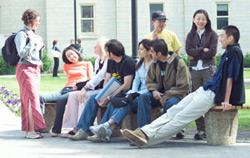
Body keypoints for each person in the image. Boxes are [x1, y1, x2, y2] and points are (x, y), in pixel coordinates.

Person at [121, 25, 245, 147]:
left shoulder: (234, 52)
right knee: (173, 111)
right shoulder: (229, 51)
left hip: (212, 95)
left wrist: (227, 101)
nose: (220, 39)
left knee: (180, 118)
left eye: (222, 36)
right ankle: (144, 132)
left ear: (231, 38)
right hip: (205, 90)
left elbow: (230, 78)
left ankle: (147, 138)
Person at [68, 39, 135, 140]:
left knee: (113, 101)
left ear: (111, 53)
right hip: (112, 91)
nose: (105, 53)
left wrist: (108, 97)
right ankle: (83, 130)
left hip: (123, 92)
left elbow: (126, 85)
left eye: (106, 50)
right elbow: (107, 79)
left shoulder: (128, 62)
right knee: (93, 99)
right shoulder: (111, 61)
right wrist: (103, 95)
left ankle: (101, 133)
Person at [87, 39, 153, 142]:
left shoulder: (147, 64)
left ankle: (105, 127)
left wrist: (110, 96)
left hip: (145, 94)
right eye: (138, 49)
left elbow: (146, 85)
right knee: (105, 99)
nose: (139, 51)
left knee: (120, 101)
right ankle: (98, 130)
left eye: (141, 49)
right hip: (134, 93)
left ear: (149, 51)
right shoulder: (140, 64)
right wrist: (104, 94)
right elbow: (134, 82)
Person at [59, 37, 109, 137]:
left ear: (102, 48)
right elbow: (95, 76)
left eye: (97, 46)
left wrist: (86, 88)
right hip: (96, 88)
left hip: (104, 89)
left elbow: (101, 76)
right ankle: (72, 126)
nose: (94, 47)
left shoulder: (107, 60)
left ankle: (82, 128)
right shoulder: (98, 59)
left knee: (84, 96)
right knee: (73, 95)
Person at [39, 46, 93, 136]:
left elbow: (91, 80)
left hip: (75, 90)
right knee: (41, 97)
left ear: (76, 52)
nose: (71, 57)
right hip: (64, 90)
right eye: (68, 56)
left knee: (61, 99)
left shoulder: (87, 64)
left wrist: (82, 86)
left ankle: (56, 130)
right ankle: (40, 126)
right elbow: (69, 79)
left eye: (72, 54)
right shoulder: (66, 66)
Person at [186, 9, 218, 140]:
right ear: (194, 20)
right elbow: (188, 51)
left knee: (209, 98)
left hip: (207, 69)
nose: (200, 21)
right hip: (194, 70)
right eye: (198, 18)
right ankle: (201, 129)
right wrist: (201, 50)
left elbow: (212, 52)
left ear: (207, 20)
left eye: (203, 19)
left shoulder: (212, 34)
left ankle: (212, 127)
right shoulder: (191, 35)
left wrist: (196, 53)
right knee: (196, 99)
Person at [15, 9, 46, 139]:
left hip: (35, 68)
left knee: (34, 98)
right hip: (25, 69)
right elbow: (21, 53)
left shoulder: (34, 35)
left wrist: (38, 42)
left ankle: (31, 130)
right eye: (37, 20)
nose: (39, 23)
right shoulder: (21, 35)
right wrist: (33, 42)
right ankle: (30, 131)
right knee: (29, 99)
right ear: (30, 20)